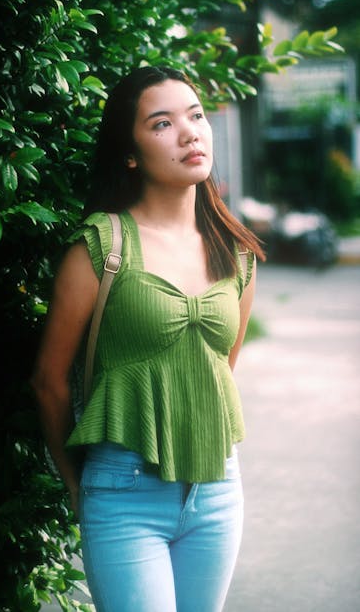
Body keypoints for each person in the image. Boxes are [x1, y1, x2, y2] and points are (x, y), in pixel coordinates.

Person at [31, 66, 265, 612]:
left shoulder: (236, 253)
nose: (190, 133)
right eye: (162, 123)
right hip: (123, 494)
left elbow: (220, 368)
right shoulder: (101, 246)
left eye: (196, 115)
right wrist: (77, 486)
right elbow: (47, 381)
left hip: (217, 489)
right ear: (131, 153)